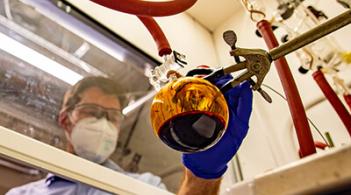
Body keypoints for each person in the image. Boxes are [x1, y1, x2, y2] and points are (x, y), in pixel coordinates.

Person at [6, 74, 252, 195]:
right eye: (91, 112)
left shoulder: (144, 186)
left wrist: (203, 175)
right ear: (65, 120)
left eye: (112, 116)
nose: (102, 123)